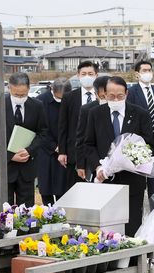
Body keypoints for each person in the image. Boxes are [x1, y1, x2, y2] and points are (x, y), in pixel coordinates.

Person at [85, 76, 153, 236]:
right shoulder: (95, 113)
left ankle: (133, 260)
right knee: (107, 228)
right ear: (104, 95)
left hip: (132, 180)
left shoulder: (140, 114)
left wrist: (133, 158)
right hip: (106, 180)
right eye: (111, 96)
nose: (115, 99)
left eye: (120, 96)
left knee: (132, 226)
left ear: (126, 94)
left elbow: (149, 143)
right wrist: (98, 166)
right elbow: (88, 144)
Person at [0, 72, 47, 208]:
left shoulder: (37, 106)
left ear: (28, 89)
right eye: (16, 95)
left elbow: (43, 132)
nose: (20, 98)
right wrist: (11, 155)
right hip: (4, 167)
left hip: (27, 168)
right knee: (4, 211)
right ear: (9, 88)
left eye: (23, 95)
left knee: (26, 211)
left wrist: (29, 151)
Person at [127, 60, 154, 199]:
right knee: (139, 174)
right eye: (144, 70)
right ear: (137, 74)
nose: (147, 73)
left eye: (149, 70)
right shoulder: (132, 92)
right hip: (140, 139)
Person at [58, 61, 99, 190]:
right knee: (75, 188)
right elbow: (63, 125)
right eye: (84, 73)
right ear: (78, 75)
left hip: (96, 149)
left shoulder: (101, 97)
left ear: (96, 75)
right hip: (74, 150)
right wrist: (62, 151)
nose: (87, 76)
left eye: (90, 74)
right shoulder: (69, 97)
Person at [35, 77, 68, 205]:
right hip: (45, 151)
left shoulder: (72, 100)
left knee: (64, 191)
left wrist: (64, 146)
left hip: (65, 152)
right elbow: (40, 128)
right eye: (58, 97)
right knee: (46, 190)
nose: (61, 101)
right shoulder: (40, 101)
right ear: (52, 89)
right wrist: (55, 146)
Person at [75, 75, 110, 181]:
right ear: (96, 94)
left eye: (108, 95)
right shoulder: (87, 110)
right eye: (102, 96)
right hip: (95, 159)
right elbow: (81, 138)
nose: (106, 99)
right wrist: (80, 165)